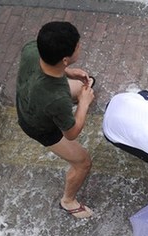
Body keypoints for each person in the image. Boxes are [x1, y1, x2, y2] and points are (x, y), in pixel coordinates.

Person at [16, 21, 95, 219]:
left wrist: (67, 72)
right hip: (38, 125)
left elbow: (49, 67)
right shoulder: (57, 98)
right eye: (78, 45)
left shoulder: (32, 48)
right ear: (66, 59)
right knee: (83, 162)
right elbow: (71, 132)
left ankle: (80, 92)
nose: (80, 46)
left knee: (81, 87)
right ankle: (68, 201)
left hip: (29, 95)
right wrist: (84, 104)